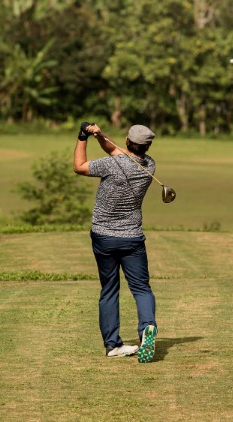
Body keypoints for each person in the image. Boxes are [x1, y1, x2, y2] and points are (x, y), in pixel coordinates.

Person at [73, 122, 158, 363]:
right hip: (132, 238)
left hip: (104, 236)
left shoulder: (111, 165)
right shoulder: (149, 165)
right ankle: (147, 327)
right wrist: (100, 135)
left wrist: (83, 137)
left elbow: (79, 167)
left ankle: (113, 345)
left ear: (128, 140)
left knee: (109, 290)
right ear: (147, 145)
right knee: (141, 288)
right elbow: (117, 152)